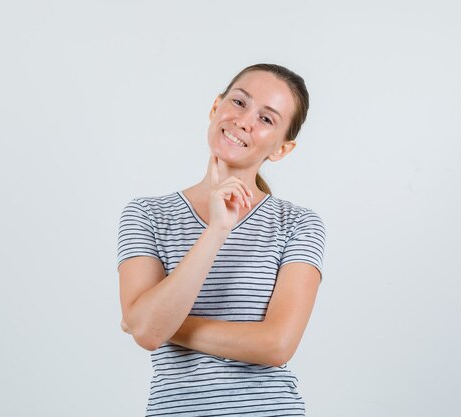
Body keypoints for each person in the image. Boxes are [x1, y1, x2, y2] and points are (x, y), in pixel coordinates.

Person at [116, 63, 326, 417]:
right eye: (240, 102)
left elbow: (277, 345)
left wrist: (158, 323)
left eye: (267, 119)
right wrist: (216, 231)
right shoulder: (147, 215)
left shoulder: (298, 224)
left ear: (281, 149)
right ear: (216, 107)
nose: (245, 121)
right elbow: (148, 332)